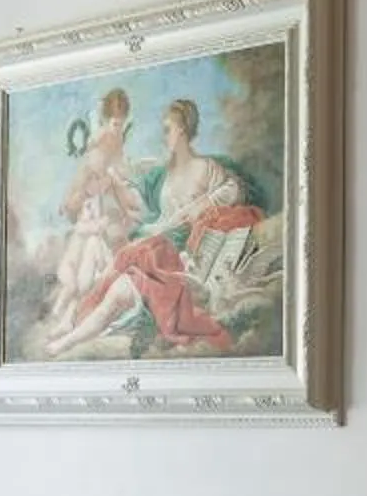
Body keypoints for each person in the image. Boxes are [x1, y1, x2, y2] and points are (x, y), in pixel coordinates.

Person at [47, 95, 263, 356]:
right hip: (159, 245)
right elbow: (146, 210)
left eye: (167, 129)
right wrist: (114, 182)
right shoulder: (164, 175)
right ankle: (71, 327)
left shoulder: (206, 168)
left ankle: (71, 331)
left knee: (121, 282)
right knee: (115, 275)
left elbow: (234, 191)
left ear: (182, 129)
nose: (164, 136)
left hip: (178, 254)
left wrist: (199, 206)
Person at [45, 88, 139, 338]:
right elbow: (86, 182)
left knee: (110, 258)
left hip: (108, 211)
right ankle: (74, 317)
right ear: (107, 118)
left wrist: (124, 202)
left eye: (121, 122)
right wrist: (80, 198)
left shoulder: (115, 143)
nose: (117, 128)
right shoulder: (98, 145)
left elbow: (118, 182)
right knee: (92, 261)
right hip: (96, 215)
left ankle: (89, 314)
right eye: (114, 122)